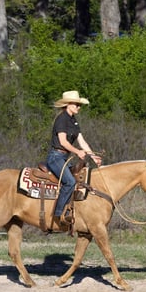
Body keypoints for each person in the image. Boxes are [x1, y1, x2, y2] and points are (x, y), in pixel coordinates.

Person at [46, 90, 102, 230]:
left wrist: (93, 156)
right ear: (68, 105)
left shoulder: (73, 121)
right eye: (76, 104)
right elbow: (63, 142)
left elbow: (82, 141)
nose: (78, 107)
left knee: (80, 179)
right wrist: (77, 152)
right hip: (56, 157)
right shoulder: (61, 119)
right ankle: (58, 214)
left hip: (64, 158)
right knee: (70, 181)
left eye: (79, 104)